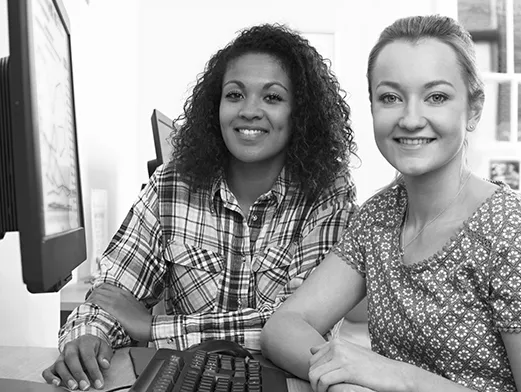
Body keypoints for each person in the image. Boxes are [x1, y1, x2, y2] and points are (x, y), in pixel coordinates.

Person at [261, 15, 521, 392]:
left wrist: (392, 375)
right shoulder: (379, 217)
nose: (411, 118)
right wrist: (342, 376)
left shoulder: (518, 235)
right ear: (372, 107)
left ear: (474, 108)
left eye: (436, 97)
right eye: (391, 97)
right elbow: (283, 326)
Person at [42, 23, 358, 390]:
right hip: (189, 382)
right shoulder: (170, 185)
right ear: (216, 106)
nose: (249, 111)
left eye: (272, 97)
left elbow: (297, 327)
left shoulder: (327, 195)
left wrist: (151, 328)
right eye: (235, 95)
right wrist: (87, 338)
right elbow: (112, 292)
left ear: (300, 113)